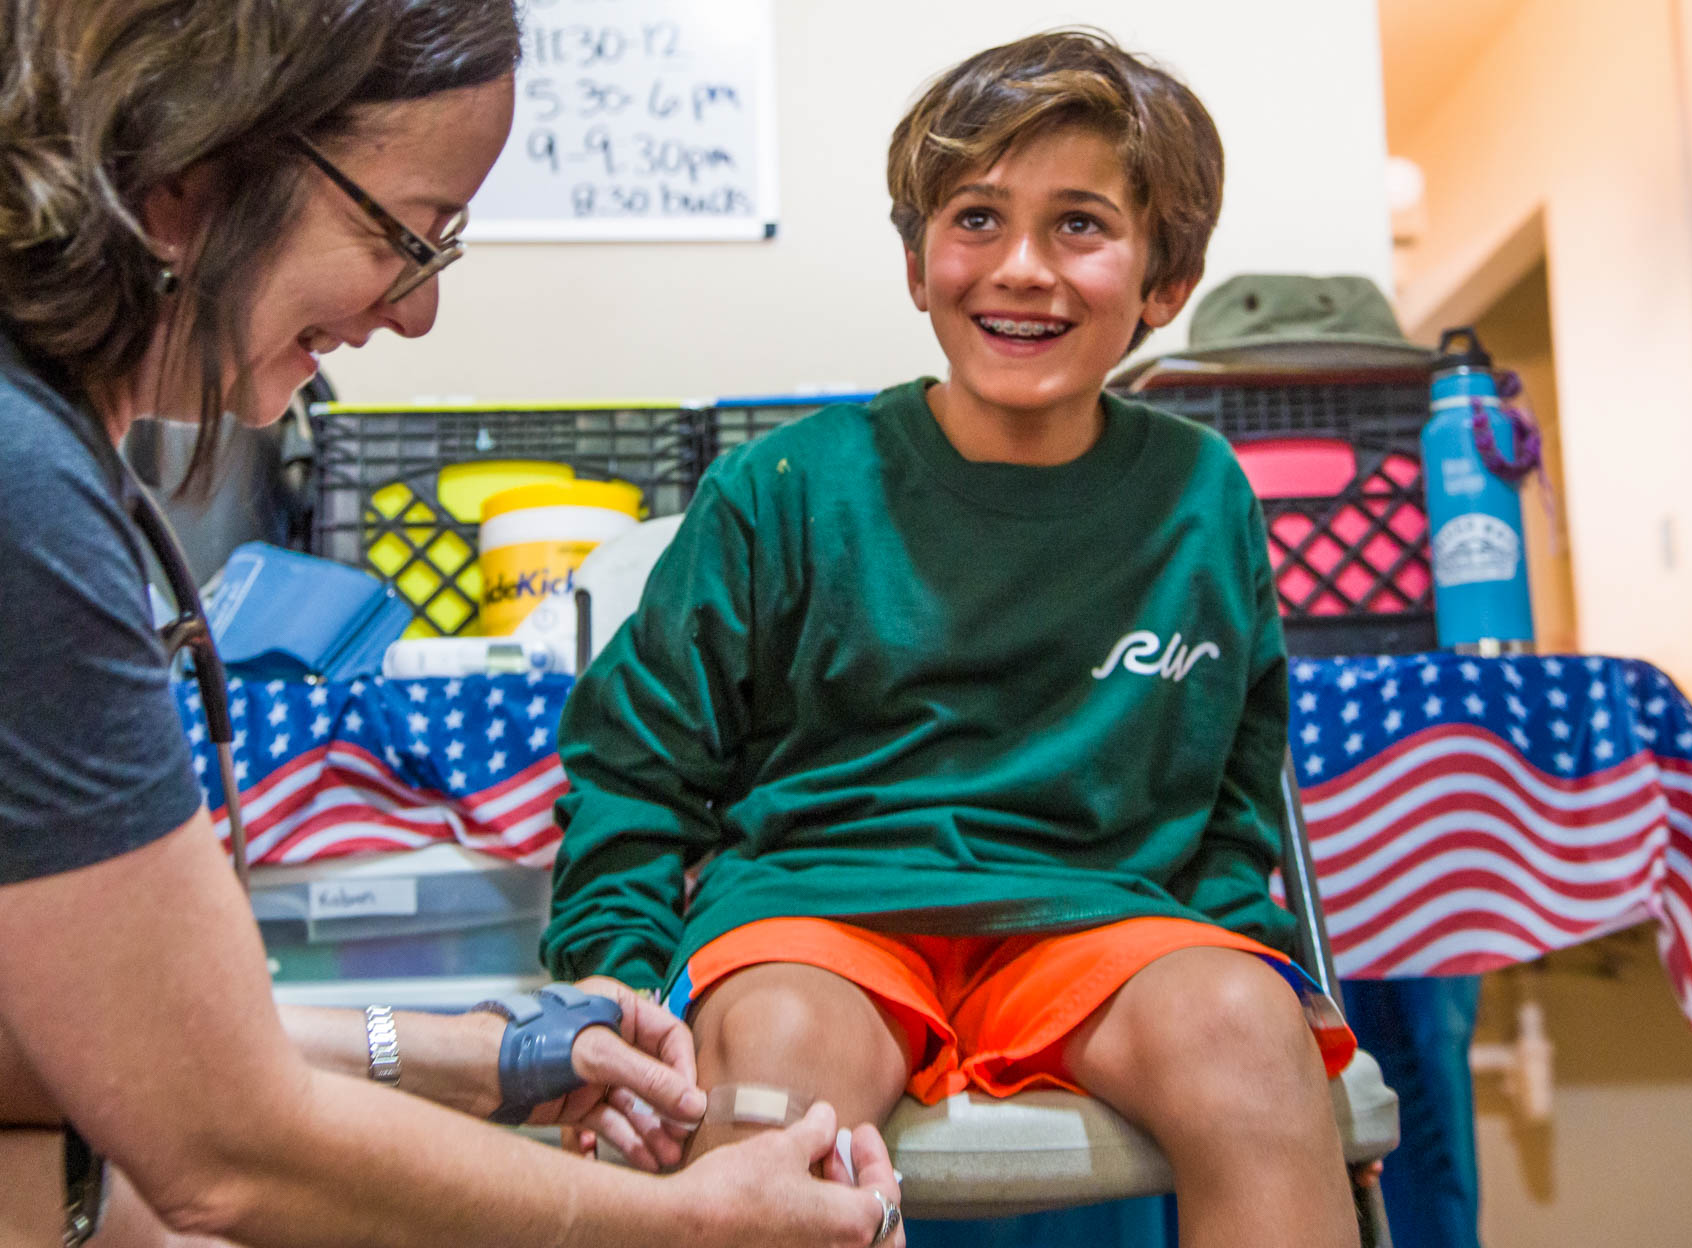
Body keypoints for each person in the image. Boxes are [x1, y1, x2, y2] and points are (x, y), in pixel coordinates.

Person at [0, 2, 904, 1246]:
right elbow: (222, 1147)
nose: (414, 312)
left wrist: (469, 1056)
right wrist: (679, 1226)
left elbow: (53, 1038)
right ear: (188, 168)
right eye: (412, 237)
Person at [542, 29, 1360, 1248]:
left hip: (1099, 924)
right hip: (821, 917)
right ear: (919, 263)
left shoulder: (1203, 495)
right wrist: (611, 976)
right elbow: (635, 766)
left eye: (1079, 224)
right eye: (975, 218)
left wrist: (1234, 962)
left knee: (1248, 1027)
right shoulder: (782, 488)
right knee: (769, 1054)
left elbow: (1232, 782)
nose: (1019, 267)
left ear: (1162, 282)